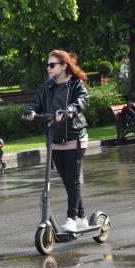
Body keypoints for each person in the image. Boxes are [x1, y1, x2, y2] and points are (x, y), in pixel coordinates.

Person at [23, 50, 90, 233]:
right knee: (67, 180)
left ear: (63, 66)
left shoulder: (76, 84)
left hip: (75, 136)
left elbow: (83, 101)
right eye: (47, 65)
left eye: (52, 65)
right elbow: (36, 103)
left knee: (73, 178)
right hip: (55, 138)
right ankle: (82, 217)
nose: (48, 68)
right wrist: (30, 111)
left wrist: (69, 110)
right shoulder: (47, 86)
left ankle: (71, 219)